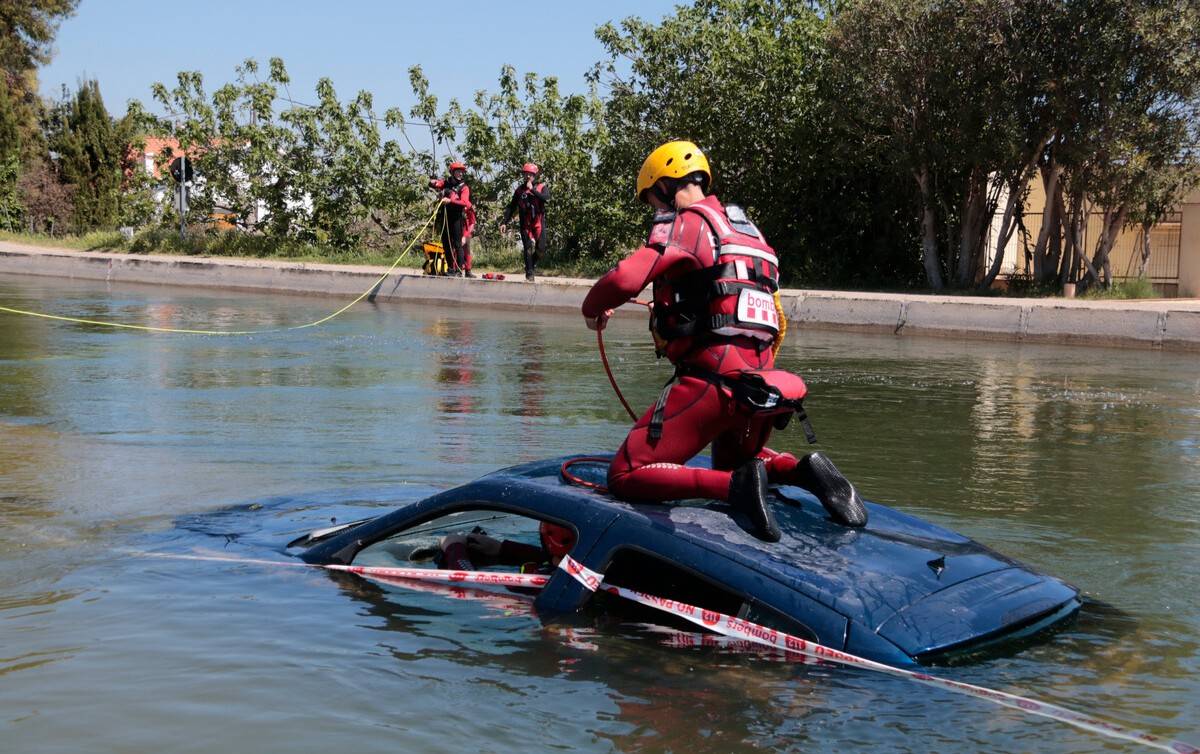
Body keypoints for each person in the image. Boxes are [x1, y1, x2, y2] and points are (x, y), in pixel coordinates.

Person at [580, 141, 866, 542]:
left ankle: (736, 490)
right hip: (759, 386)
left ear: (665, 185)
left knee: (626, 473)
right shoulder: (749, 234)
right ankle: (799, 471)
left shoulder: (688, 222)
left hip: (713, 380)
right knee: (730, 461)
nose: (656, 211)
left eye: (653, 201)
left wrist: (592, 307)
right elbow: (770, 317)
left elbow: (625, 280)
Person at [439, 521, 576, 574]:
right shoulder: (582, 570)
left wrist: (453, 547)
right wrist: (501, 548)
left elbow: (471, 582)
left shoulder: (543, 581)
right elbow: (546, 557)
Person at [500, 163, 550, 281]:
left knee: (541, 249)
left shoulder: (542, 187)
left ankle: (530, 264)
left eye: (531, 174)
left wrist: (532, 189)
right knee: (527, 247)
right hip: (525, 223)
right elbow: (511, 207)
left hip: (538, 221)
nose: (528, 176)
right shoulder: (519, 190)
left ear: (535, 175)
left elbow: (546, 198)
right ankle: (529, 274)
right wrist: (504, 222)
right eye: (526, 174)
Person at [429, 161, 474, 277]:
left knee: (457, 244)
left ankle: (459, 270)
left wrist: (451, 201)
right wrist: (433, 182)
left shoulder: (464, 187)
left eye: (461, 172)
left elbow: (464, 202)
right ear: (452, 172)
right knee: (446, 243)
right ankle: (450, 268)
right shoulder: (446, 183)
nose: (460, 174)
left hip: (457, 218)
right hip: (445, 216)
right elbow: (437, 184)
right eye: (458, 171)